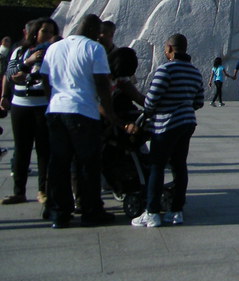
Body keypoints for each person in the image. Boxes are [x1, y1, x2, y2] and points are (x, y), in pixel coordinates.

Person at [39, 13, 117, 228]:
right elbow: (102, 83)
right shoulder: (94, 48)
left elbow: (45, 78)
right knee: (87, 163)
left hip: (56, 110)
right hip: (83, 112)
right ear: (93, 30)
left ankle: (58, 212)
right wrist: (110, 113)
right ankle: (91, 210)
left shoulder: (54, 48)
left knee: (59, 163)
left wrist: (52, 100)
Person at [131, 33, 204, 227]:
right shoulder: (195, 72)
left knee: (157, 166)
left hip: (166, 124)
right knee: (180, 165)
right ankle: (176, 210)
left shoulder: (165, 70)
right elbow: (199, 101)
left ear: (170, 49)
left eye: (165, 48)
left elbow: (151, 101)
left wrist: (148, 110)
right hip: (187, 122)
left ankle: (152, 211)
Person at [1, 19, 57, 205]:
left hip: (42, 104)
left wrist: (24, 75)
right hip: (20, 104)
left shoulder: (54, 51)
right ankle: (19, 191)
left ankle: (43, 190)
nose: (47, 35)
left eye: (51, 32)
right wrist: (28, 62)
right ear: (35, 32)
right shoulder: (20, 50)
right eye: (44, 31)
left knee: (43, 149)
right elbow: (11, 74)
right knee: (22, 149)